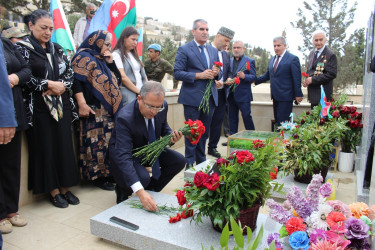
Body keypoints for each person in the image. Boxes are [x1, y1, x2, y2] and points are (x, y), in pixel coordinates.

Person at [16, 9, 80, 208]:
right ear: (31, 25)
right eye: (43, 28)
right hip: (38, 107)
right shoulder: (22, 48)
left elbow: (69, 73)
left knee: (63, 145)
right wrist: (47, 84)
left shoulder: (58, 48)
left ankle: (64, 188)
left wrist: (60, 85)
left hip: (61, 105)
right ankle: (52, 190)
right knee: (45, 147)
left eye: (51, 28)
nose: (47, 32)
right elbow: (24, 77)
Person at [109, 81, 185, 210]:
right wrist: (139, 191)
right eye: (150, 106)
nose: (154, 111)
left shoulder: (163, 106)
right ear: (139, 99)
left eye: (158, 107)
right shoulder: (125, 118)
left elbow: (163, 127)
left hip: (149, 148)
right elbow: (123, 156)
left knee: (178, 161)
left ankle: (151, 190)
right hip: (127, 153)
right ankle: (123, 189)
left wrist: (171, 136)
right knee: (142, 178)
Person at [71, 30, 123, 191]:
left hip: (107, 111)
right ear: (98, 42)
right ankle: (97, 176)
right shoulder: (83, 57)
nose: (109, 47)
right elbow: (76, 81)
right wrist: (81, 103)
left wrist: (110, 62)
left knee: (108, 143)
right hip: (92, 108)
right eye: (107, 44)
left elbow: (117, 80)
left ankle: (108, 173)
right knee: (95, 144)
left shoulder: (100, 60)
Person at [174, 19, 219, 168]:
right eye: (201, 29)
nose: (205, 32)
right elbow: (177, 73)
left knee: (204, 133)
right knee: (192, 132)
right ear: (194, 31)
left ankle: (202, 163)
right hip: (192, 98)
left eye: (207, 29)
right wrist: (199, 75)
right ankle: (189, 163)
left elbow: (219, 71)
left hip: (210, 98)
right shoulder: (185, 49)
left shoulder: (213, 50)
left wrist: (217, 73)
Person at [0, 37, 30, 234]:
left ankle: (11, 209)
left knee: (11, 163)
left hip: (13, 113)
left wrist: (14, 78)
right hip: (3, 113)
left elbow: (26, 70)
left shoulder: (7, 44)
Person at [255, 36, 303, 127]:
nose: (276, 48)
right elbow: (267, 75)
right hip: (275, 96)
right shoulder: (272, 59)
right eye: (274, 46)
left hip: (286, 97)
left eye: (278, 45)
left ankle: (283, 141)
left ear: (284, 45)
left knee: (283, 123)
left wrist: (298, 94)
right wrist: (254, 80)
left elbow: (296, 78)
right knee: (278, 121)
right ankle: (279, 140)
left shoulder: (293, 59)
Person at [207, 27, 234, 157]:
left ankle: (212, 147)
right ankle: (199, 149)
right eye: (226, 40)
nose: (227, 44)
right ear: (218, 36)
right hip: (209, 93)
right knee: (207, 121)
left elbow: (228, 71)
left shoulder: (225, 54)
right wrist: (213, 81)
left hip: (222, 93)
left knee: (218, 122)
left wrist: (228, 78)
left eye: (229, 42)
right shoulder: (206, 51)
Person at [226, 40, 256, 135]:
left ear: (243, 48)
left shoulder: (250, 61)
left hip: (243, 96)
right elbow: (228, 74)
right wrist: (228, 79)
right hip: (231, 95)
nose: (236, 50)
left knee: (246, 116)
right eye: (234, 47)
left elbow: (254, 77)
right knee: (232, 118)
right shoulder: (229, 61)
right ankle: (232, 138)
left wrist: (244, 76)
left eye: (238, 47)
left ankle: (252, 138)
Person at [303, 30, 337, 109]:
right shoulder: (312, 53)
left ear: (325, 40)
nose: (318, 42)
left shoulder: (330, 54)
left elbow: (331, 74)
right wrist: (306, 80)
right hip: (312, 94)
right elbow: (311, 70)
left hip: (323, 95)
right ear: (312, 41)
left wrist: (313, 80)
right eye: (316, 40)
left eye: (321, 40)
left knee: (322, 120)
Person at [113, 26, 147, 106]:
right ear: (125, 38)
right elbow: (123, 77)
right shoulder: (116, 55)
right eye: (133, 39)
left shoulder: (135, 55)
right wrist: (138, 91)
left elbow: (144, 76)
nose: (135, 42)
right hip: (128, 96)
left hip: (141, 95)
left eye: (136, 40)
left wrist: (146, 91)